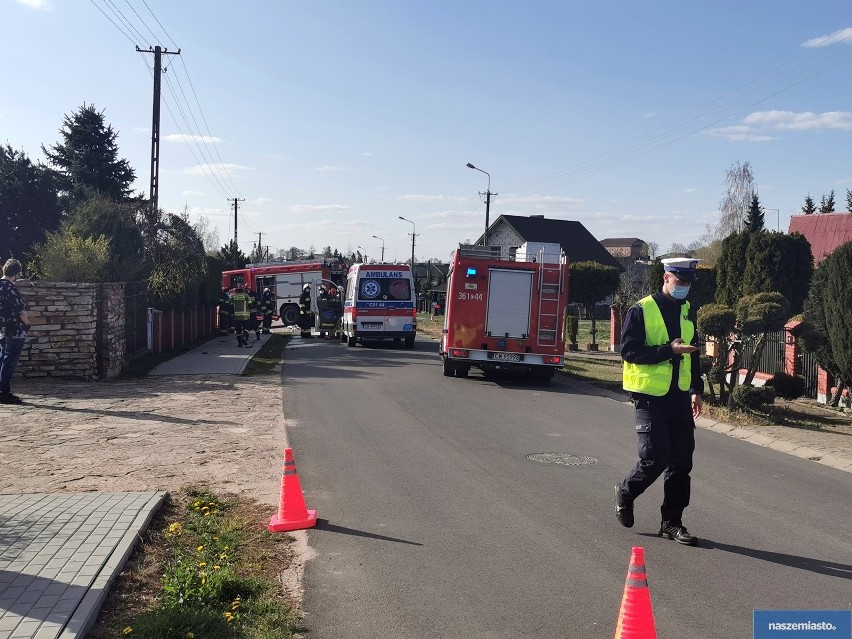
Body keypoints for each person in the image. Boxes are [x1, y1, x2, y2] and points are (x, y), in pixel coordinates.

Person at [614, 257, 704, 546]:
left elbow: (694, 353)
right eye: (681, 282)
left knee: (681, 462)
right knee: (655, 457)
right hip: (649, 397)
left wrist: (696, 389)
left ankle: (672, 523)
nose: (685, 288)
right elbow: (629, 351)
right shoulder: (641, 310)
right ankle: (625, 493)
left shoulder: (688, 311)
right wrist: (669, 350)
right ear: (667, 277)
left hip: (678, 396)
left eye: (689, 283)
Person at [0, 259, 30, 405]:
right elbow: (20, 310)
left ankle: (2, 390)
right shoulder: (11, 289)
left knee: (2, 360)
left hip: (2, 330)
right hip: (15, 330)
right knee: (9, 362)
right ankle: (3, 393)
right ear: (16, 274)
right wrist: (27, 324)